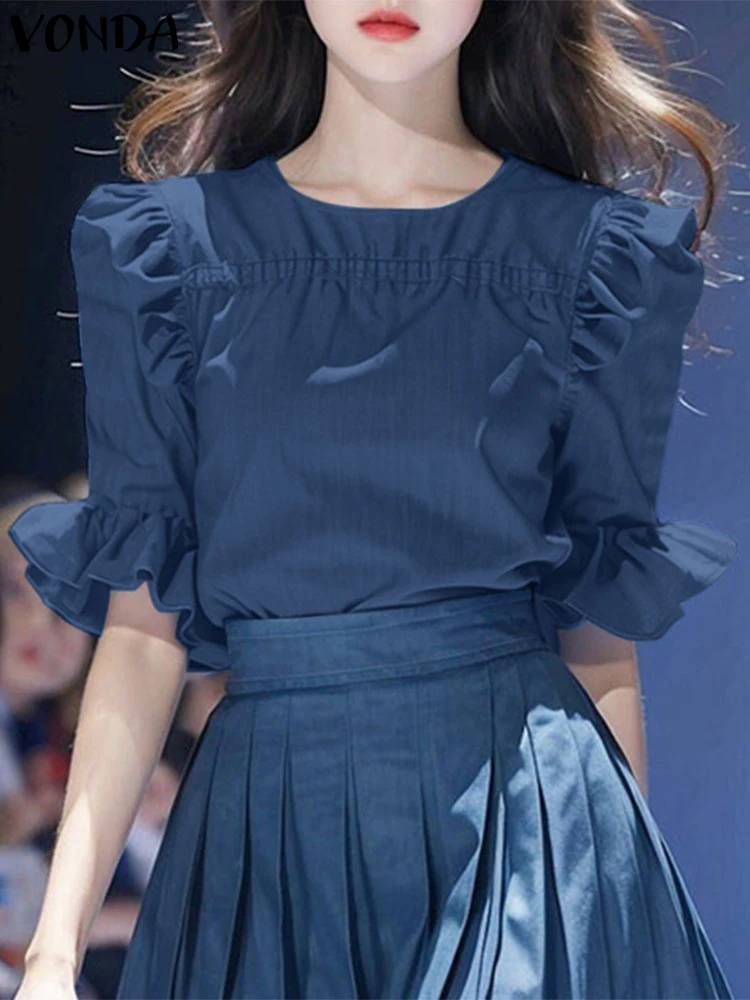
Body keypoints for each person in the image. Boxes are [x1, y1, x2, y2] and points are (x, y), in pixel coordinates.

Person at [7, 0, 740, 996]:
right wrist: (53, 951)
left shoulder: (594, 257)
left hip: (523, 819)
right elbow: (142, 632)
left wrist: (613, 927)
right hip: (270, 835)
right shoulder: (169, 254)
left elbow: (600, 629)